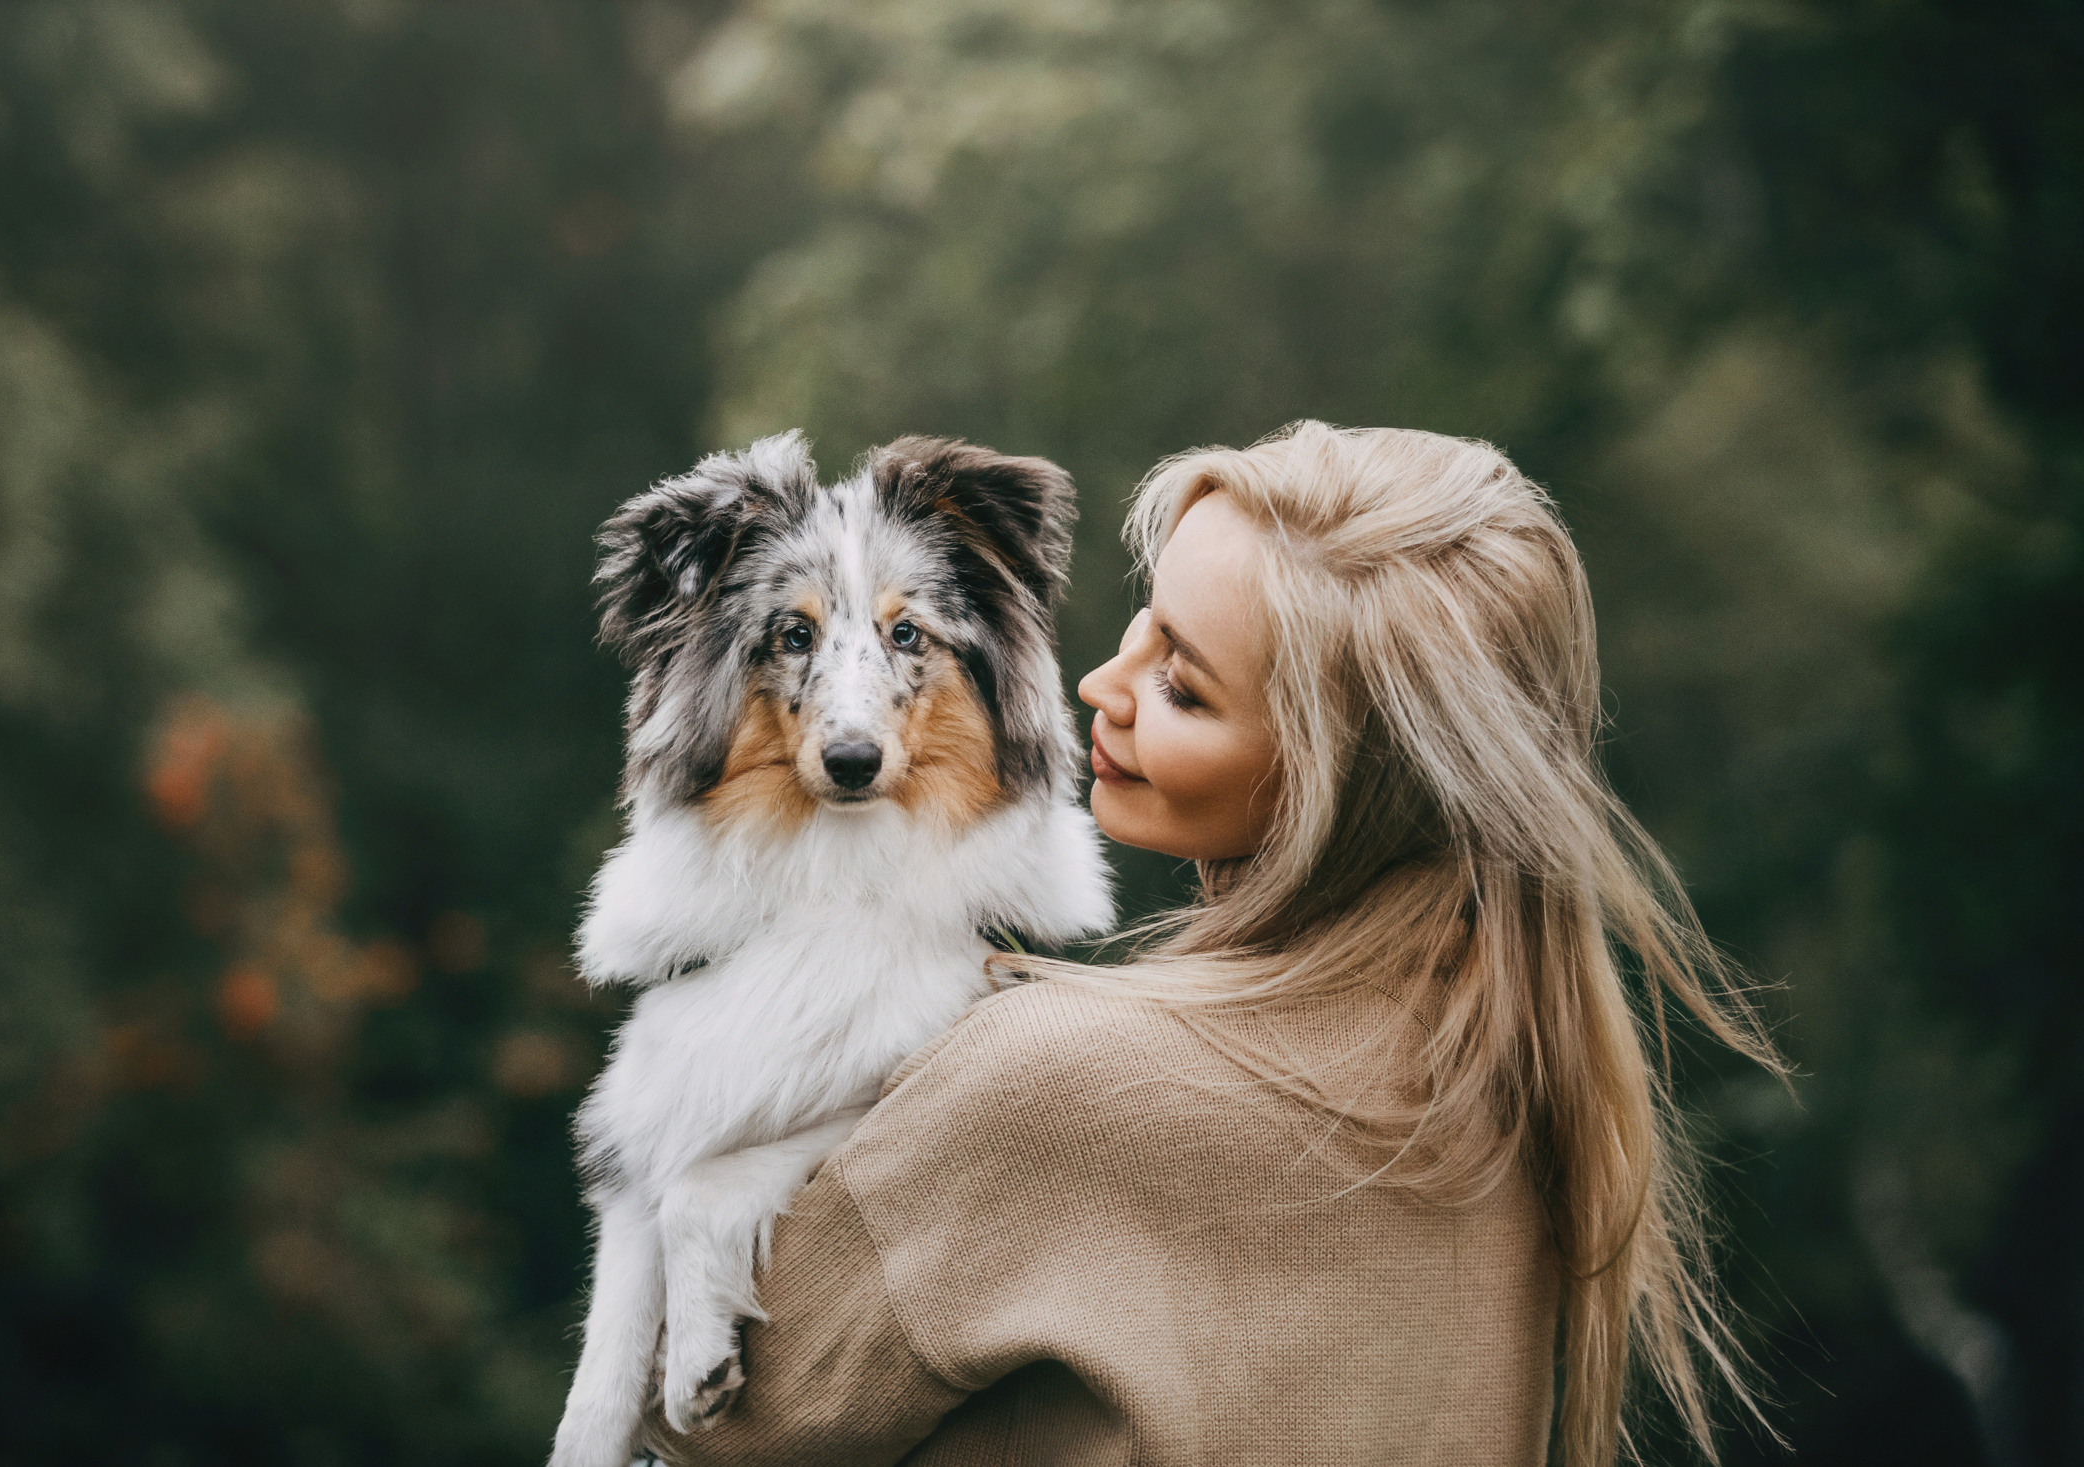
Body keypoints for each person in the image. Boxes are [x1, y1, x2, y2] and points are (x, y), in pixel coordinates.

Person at [647, 422, 1783, 1467]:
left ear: (1346, 786)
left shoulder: (1052, 1082)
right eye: (1141, 625)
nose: (1102, 685)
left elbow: (694, 1425)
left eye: (1182, 689)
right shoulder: (1511, 1088)